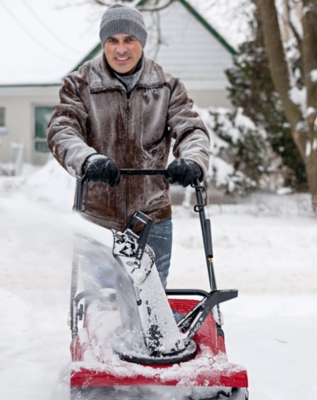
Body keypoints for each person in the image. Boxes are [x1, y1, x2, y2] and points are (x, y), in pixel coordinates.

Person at [47, 4, 210, 288]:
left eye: (129, 39)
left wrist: (193, 161)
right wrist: (88, 160)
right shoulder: (80, 85)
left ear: (141, 43)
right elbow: (62, 130)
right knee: (103, 304)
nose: (121, 49)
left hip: (153, 218)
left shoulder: (166, 87)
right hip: (97, 217)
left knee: (149, 305)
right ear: (104, 44)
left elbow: (191, 130)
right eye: (113, 40)